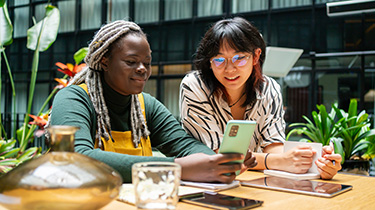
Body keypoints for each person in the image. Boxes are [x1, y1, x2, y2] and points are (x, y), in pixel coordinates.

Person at [48, 20, 257, 183]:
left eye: (147, 63)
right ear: (104, 61)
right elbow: (76, 157)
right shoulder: (73, 99)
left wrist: (218, 162)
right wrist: (176, 167)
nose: (142, 69)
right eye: (131, 62)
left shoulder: (145, 105)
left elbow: (183, 145)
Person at [179, 17, 341, 179]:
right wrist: (281, 161)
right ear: (209, 62)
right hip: (206, 184)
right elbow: (221, 157)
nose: (229, 69)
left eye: (239, 58)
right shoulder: (195, 86)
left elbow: (273, 147)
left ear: (256, 56)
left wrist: (315, 159)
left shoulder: (269, 89)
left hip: (254, 183)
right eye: (219, 60)